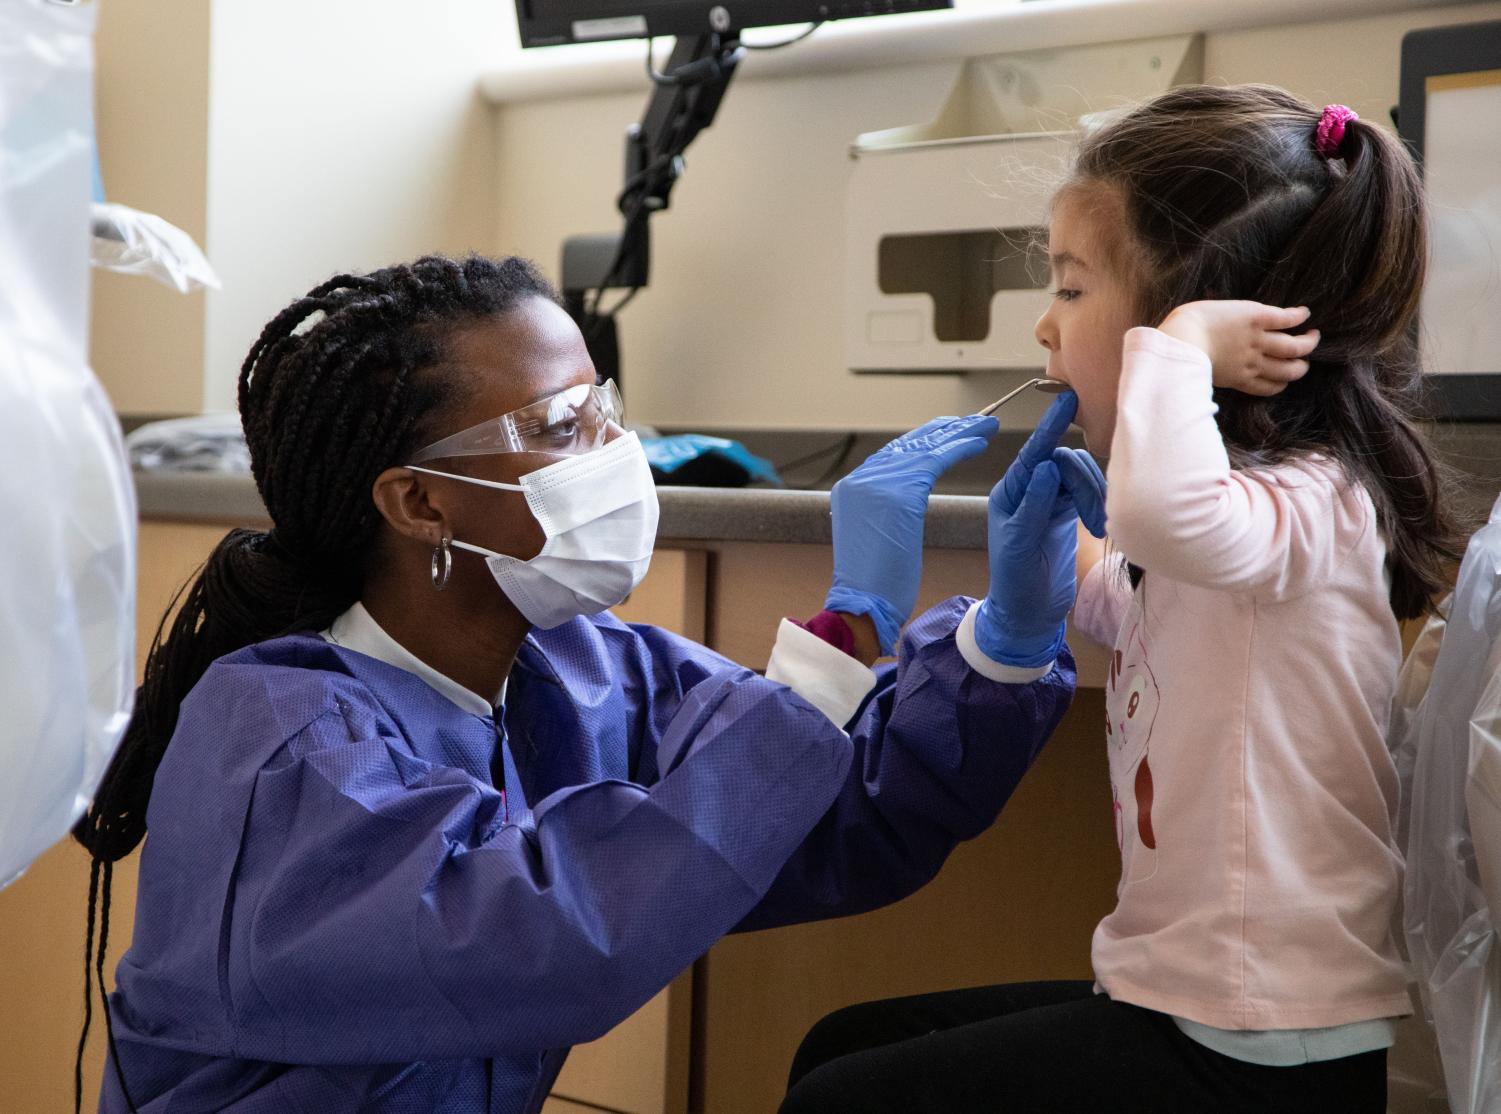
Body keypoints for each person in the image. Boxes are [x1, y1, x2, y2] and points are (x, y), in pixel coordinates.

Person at [71, 254, 1103, 1113]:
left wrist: (1002, 643)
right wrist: (845, 628)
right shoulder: (281, 739)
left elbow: (822, 805)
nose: (619, 454)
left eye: (605, 409)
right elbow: (539, 940)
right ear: (420, 500)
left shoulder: (583, 669)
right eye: (563, 428)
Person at [781, 85, 1465, 1114]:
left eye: (1069, 287)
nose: (1044, 330)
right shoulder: (1239, 520)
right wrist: (1053, 563)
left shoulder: (1311, 499)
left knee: (844, 1098)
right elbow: (1141, 606)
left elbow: (1162, 522)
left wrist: (1179, 347)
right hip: (1188, 1004)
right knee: (841, 1047)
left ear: (1196, 317)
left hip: (1264, 1039)